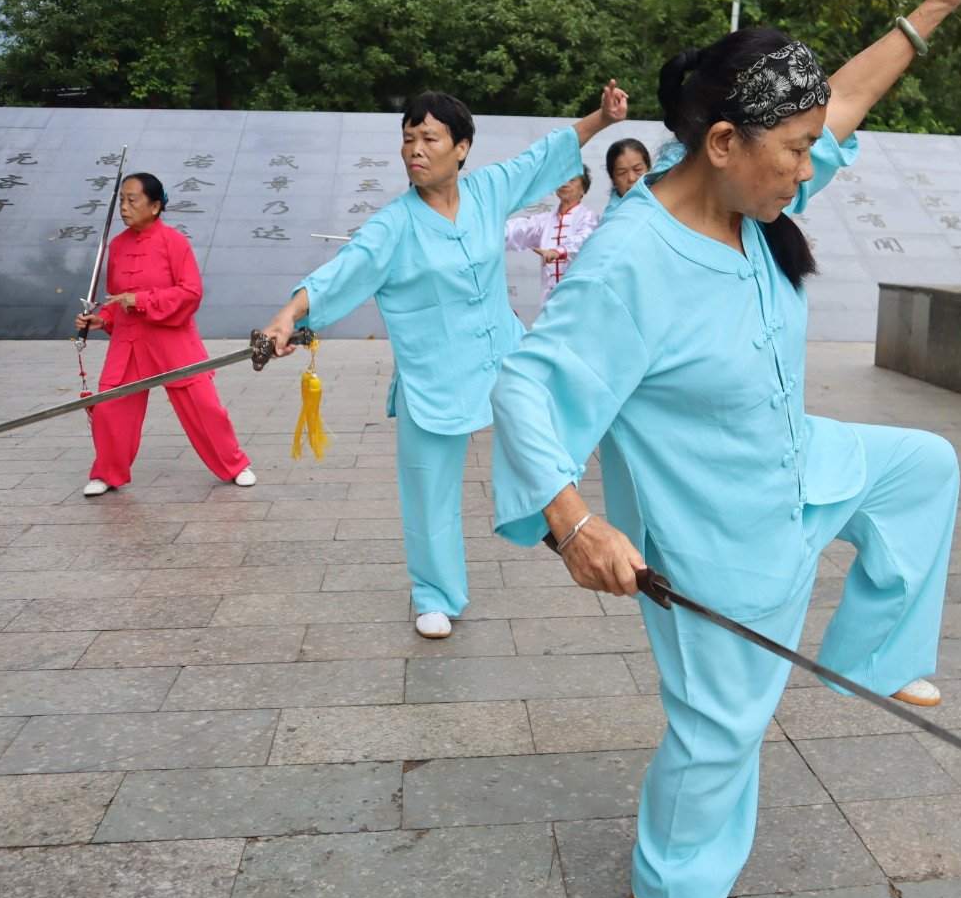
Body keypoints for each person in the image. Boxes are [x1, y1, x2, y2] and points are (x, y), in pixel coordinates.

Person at [489, 0, 961, 898]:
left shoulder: (759, 200)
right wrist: (575, 522)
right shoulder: (632, 260)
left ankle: (872, 657)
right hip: (714, 528)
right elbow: (527, 388)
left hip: (799, 465)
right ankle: (670, 882)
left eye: (808, 148)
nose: (810, 166)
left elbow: (841, 100)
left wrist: (938, 3)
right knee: (723, 724)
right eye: (793, 150)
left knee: (923, 468)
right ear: (722, 141)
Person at [260, 82, 628, 639]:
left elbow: (542, 156)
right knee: (428, 488)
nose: (415, 149)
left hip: (502, 355)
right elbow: (345, 269)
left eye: (429, 137)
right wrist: (288, 316)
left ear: (461, 147)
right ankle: (433, 593)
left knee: (545, 433)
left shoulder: (488, 191)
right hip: (433, 374)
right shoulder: (393, 224)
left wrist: (601, 118)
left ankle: (546, 518)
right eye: (408, 139)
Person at [74, 172, 254, 497]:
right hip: (128, 342)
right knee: (109, 408)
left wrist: (141, 300)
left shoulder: (174, 241)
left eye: (133, 200)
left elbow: (191, 293)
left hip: (172, 339)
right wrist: (102, 318)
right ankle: (108, 473)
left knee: (206, 408)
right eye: (122, 201)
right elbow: (116, 297)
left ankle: (234, 465)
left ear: (155, 206)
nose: (125, 208)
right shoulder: (116, 245)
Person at [504, 166, 600, 305]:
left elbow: (583, 240)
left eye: (572, 179)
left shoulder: (588, 216)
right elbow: (516, 229)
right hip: (549, 299)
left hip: (578, 296)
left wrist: (557, 252)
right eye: (561, 178)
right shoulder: (544, 221)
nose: (565, 183)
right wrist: (486, 231)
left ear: (583, 189)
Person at [604, 138, 651, 207]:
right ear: (612, 177)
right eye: (622, 172)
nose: (631, 178)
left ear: (649, 168)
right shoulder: (614, 216)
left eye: (637, 169)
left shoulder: (664, 198)